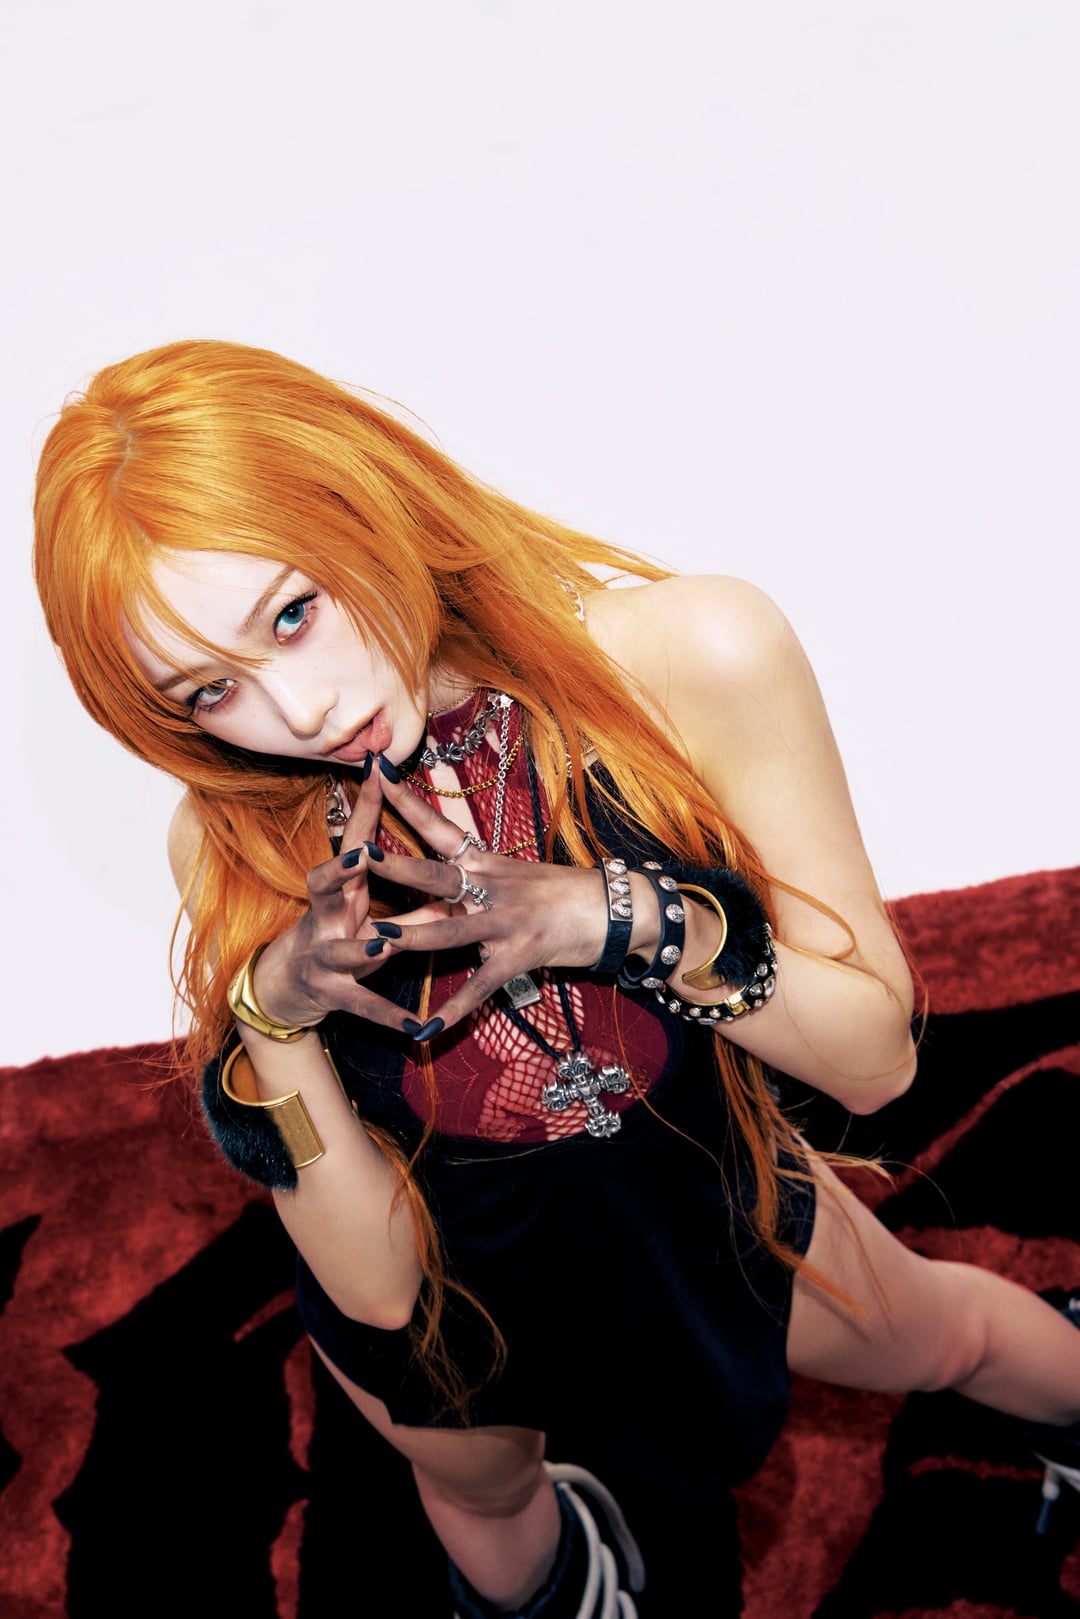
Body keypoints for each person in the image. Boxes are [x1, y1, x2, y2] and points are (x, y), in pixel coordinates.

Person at [33, 339, 1080, 1617]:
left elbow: (875, 1059)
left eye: (294, 612)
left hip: (704, 1210)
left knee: (950, 1332)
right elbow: (376, 1287)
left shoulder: (687, 654)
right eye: (212, 688)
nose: (297, 714)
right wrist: (277, 1011)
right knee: (485, 1502)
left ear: (367, 496)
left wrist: (610, 915)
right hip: (450, 1304)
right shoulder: (230, 832)